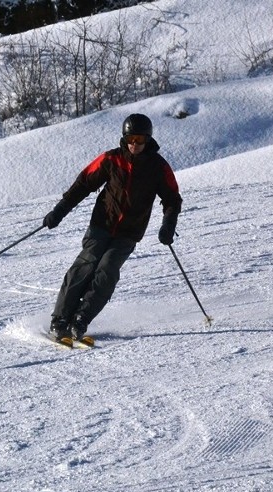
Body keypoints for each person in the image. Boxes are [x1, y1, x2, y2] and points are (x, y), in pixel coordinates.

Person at [42, 113, 182, 344]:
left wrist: (168, 225)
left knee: (107, 271)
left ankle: (80, 320)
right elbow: (83, 183)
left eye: (140, 139)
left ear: (148, 139)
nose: (135, 144)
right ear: (124, 138)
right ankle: (59, 321)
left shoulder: (158, 166)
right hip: (101, 224)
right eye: (131, 139)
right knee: (86, 264)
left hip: (129, 232)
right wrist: (59, 210)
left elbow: (172, 199)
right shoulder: (112, 159)